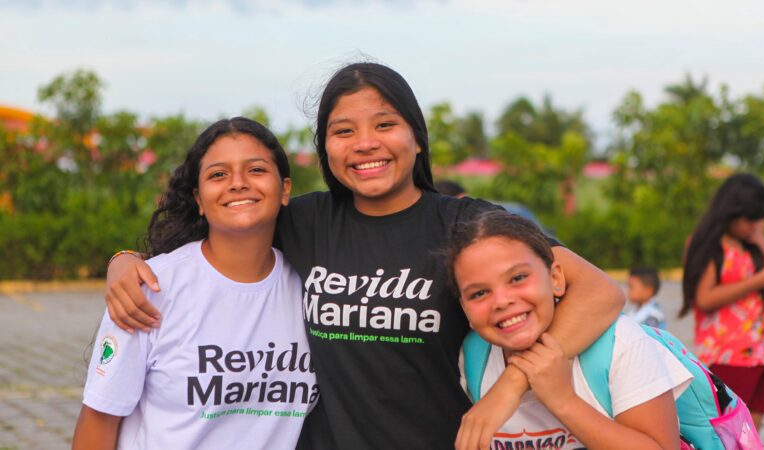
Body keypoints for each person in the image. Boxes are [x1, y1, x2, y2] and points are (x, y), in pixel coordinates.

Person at [104, 62, 624, 449]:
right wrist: (124, 258)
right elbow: (224, 226)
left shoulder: (464, 224)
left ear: (416, 138)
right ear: (325, 148)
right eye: (343, 131)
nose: (365, 144)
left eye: (384, 124)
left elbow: (600, 291)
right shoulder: (305, 221)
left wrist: (512, 385)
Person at [72, 118, 317, 449]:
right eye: (218, 174)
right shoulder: (148, 288)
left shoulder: (314, 287)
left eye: (256, 170)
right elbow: (99, 422)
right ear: (199, 199)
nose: (238, 183)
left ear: (285, 189)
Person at [448, 210, 690, 450]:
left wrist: (562, 400)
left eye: (518, 277)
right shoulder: (473, 358)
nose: (501, 301)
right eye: (479, 293)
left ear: (555, 278)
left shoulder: (620, 344)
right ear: (464, 309)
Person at [681, 173, 764, 430]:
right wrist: (758, 280)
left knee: (753, 423)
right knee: (728, 428)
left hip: (760, 352)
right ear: (731, 211)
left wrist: (763, 246)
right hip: (728, 354)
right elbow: (704, 299)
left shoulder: (748, 245)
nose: (757, 225)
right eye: (751, 219)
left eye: (761, 219)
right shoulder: (712, 247)